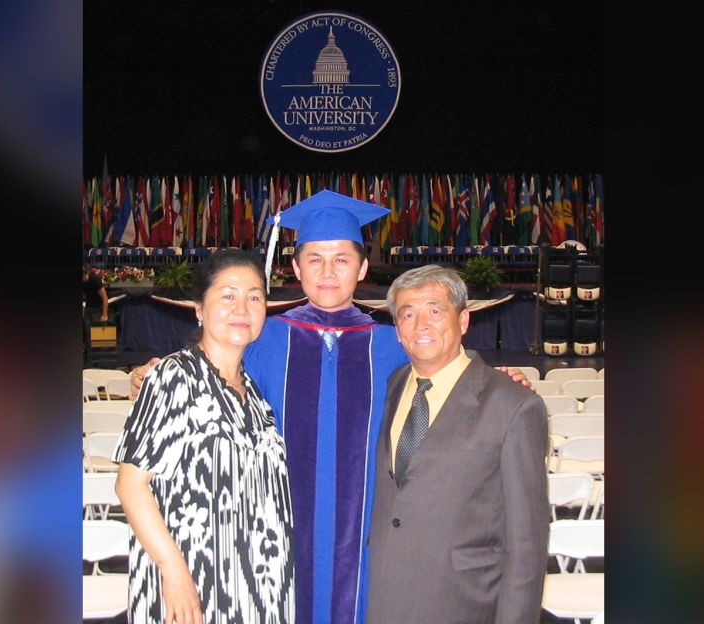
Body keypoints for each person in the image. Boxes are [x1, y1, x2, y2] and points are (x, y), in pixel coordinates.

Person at [129, 190, 531, 624]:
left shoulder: (391, 343)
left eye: (341, 259)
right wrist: (149, 372)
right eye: (315, 259)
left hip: (365, 536)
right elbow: (206, 371)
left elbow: (448, 377)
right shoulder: (263, 338)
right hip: (275, 539)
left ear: (361, 268)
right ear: (295, 267)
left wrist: (499, 380)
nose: (327, 272)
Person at [112, 249, 294, 624]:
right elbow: (131, 485)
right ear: (199, 308)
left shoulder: (255, 392)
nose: (242, 308)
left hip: (255, 582)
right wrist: (173, 571)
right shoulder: (175, 377)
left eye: (254, 296)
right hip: (193, 581)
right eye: (228, 295)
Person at [365, 265, 549, 624]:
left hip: (463, 604)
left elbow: (526, 546)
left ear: (464, 320)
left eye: (435, 310)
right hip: (383, 600)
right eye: (407, 314)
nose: (421, 325)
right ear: (397, 331)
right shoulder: (390, 385)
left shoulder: (514, 406)